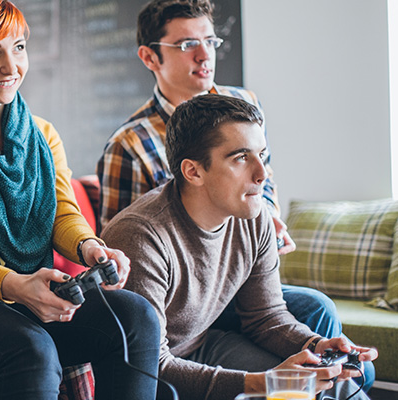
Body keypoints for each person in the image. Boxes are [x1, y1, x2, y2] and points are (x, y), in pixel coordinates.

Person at [96, 0, 376, 388]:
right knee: (305, 346)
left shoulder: (244, 116)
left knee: (339, 372)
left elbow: (267, 314)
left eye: (210, 40)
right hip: (167, 314)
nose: (204, 54)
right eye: (186, 44)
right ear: (150, 57)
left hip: (221, 300)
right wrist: (265, 382)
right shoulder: (131, 149)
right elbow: (118, 270)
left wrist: (317, 344)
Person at [0, 1, 161, 399]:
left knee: (137, 316)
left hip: (21, 290)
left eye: (18, 47)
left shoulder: (44, 135)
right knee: (32, 348)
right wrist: (17, 286)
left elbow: (62, 215)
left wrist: (90, 247)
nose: (11, 66)